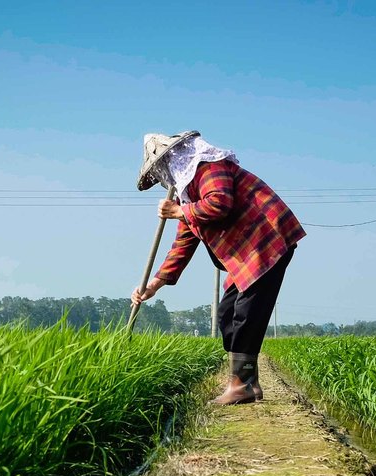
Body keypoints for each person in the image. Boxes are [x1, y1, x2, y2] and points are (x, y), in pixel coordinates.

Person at [131, 131, 305, 405]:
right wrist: (155, 283)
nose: (165, 175)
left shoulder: (209, 167)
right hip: (247, 253)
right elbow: (183, 243)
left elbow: (219, 202)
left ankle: (241, 386)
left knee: (246, 314)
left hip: (266, 239)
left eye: (165, 167)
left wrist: (179, 212)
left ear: (178, 157)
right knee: (226, 314)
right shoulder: (188, 194)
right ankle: (247, 382)